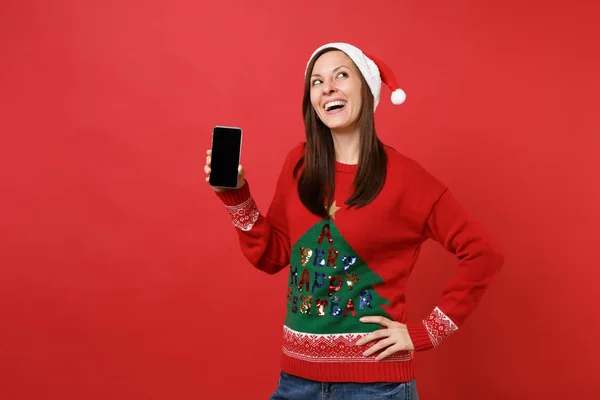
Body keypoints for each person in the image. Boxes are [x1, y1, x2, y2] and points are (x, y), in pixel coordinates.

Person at [204, 42, 504, 400]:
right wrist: (236, 194)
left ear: (367, 88)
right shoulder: (299, 165)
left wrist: (425, 332)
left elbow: (483, 253)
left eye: (340, 75)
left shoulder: (409, 179)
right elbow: (270, 255)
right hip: (296, 382)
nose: (327, 87)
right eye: (316, 82)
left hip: (377, 387)